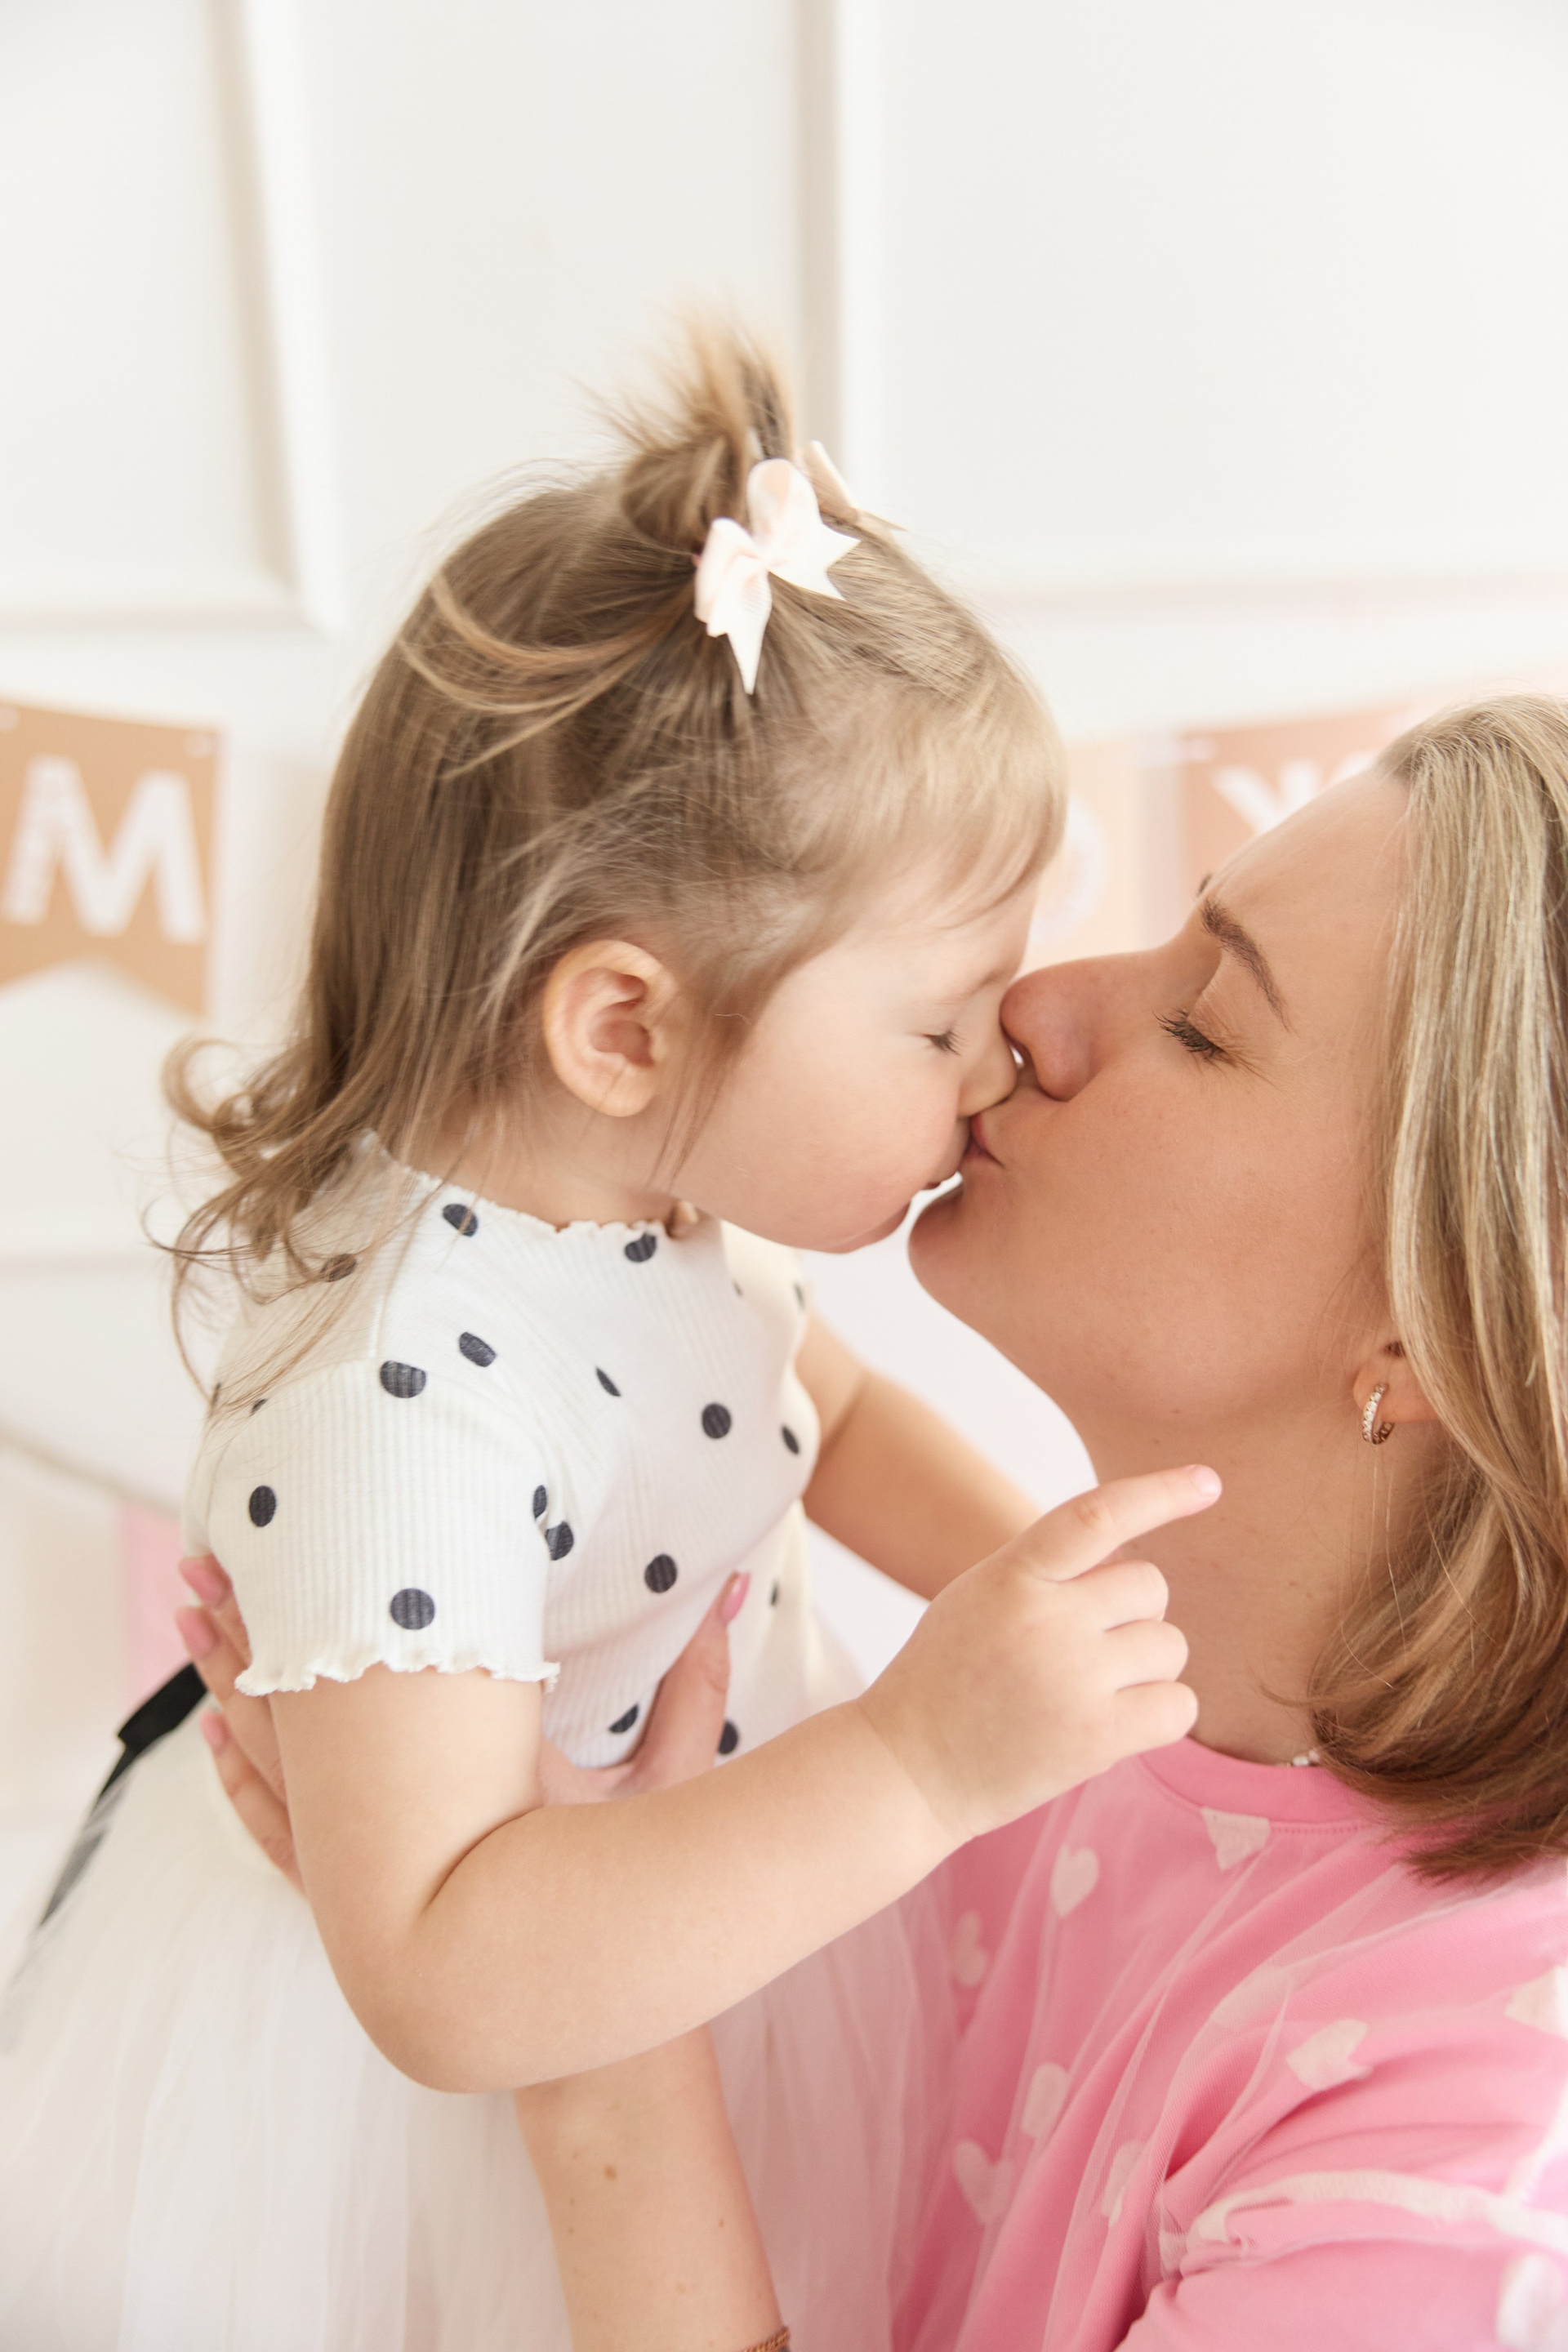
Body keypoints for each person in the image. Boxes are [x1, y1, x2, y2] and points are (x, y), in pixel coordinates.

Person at [0, 324, 1209, 2352]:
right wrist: (918, 1763)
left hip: (704, 1899)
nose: (1001, 1056)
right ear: (625, 1028)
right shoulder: (405, 1400)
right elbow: (443, 1975)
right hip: (462, 2085)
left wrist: (1053, 1587)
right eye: (936, 1021)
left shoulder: (647, 1210)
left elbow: (819, 1410)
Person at [339, 695, 1568, 2351]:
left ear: (1437, 1336)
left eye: (1205, 1025)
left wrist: (600, 2062)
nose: (1036, 1008)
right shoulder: (1052, 1718)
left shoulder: (1460, 2180)